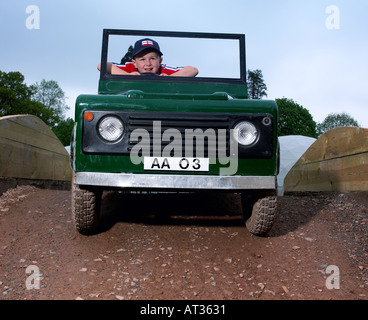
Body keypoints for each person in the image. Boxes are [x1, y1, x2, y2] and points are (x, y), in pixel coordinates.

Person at [98, 38, 198, 77]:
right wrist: (127, 76)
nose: (148, 63)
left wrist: (169, 79)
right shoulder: (129, 68)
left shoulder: (163, 70)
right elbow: (101, 66)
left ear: (160, 61)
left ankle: (156, 124)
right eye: (142, 59)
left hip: (157, 108)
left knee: (156, 122)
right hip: (132, 107)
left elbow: (193, 70)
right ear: (134, 62)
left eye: (153, 58)